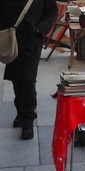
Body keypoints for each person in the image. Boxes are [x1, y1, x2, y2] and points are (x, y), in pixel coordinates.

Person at [0, 0, 58, 140]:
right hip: (10, 37)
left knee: (27, 79)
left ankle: (28, 119)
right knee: (16, 77)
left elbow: (51, 11)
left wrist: (39, 29)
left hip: (32, 39)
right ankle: (21, 112)